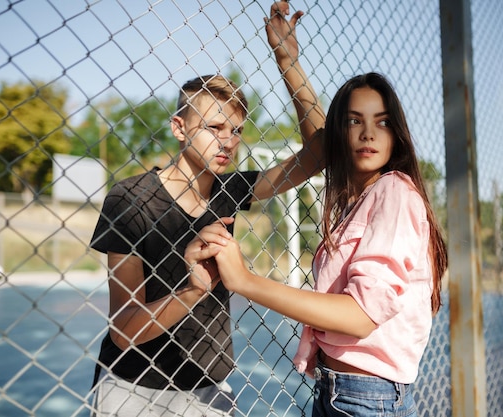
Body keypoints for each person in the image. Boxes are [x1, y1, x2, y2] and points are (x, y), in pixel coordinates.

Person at [88, 2, 325, 416]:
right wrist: (194, 290)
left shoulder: (230, 189)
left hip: (209, 387)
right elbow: (124, 330)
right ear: (179, 128)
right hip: (133, 388)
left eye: (235, 130)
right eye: (214, 128)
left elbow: (319, 154)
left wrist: (288, 62)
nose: (228, 141)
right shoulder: (130, 199)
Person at [191, 72, 448, 416]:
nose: (368, 133)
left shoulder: (394, 192)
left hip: (367, 399)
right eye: (353, 121)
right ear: (338, 134)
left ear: (396, 134)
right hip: (342, 391)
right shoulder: (359, 200)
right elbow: (318, 146)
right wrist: (287, 61)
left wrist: (246, 281)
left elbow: (361, 316)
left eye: (382, 122)